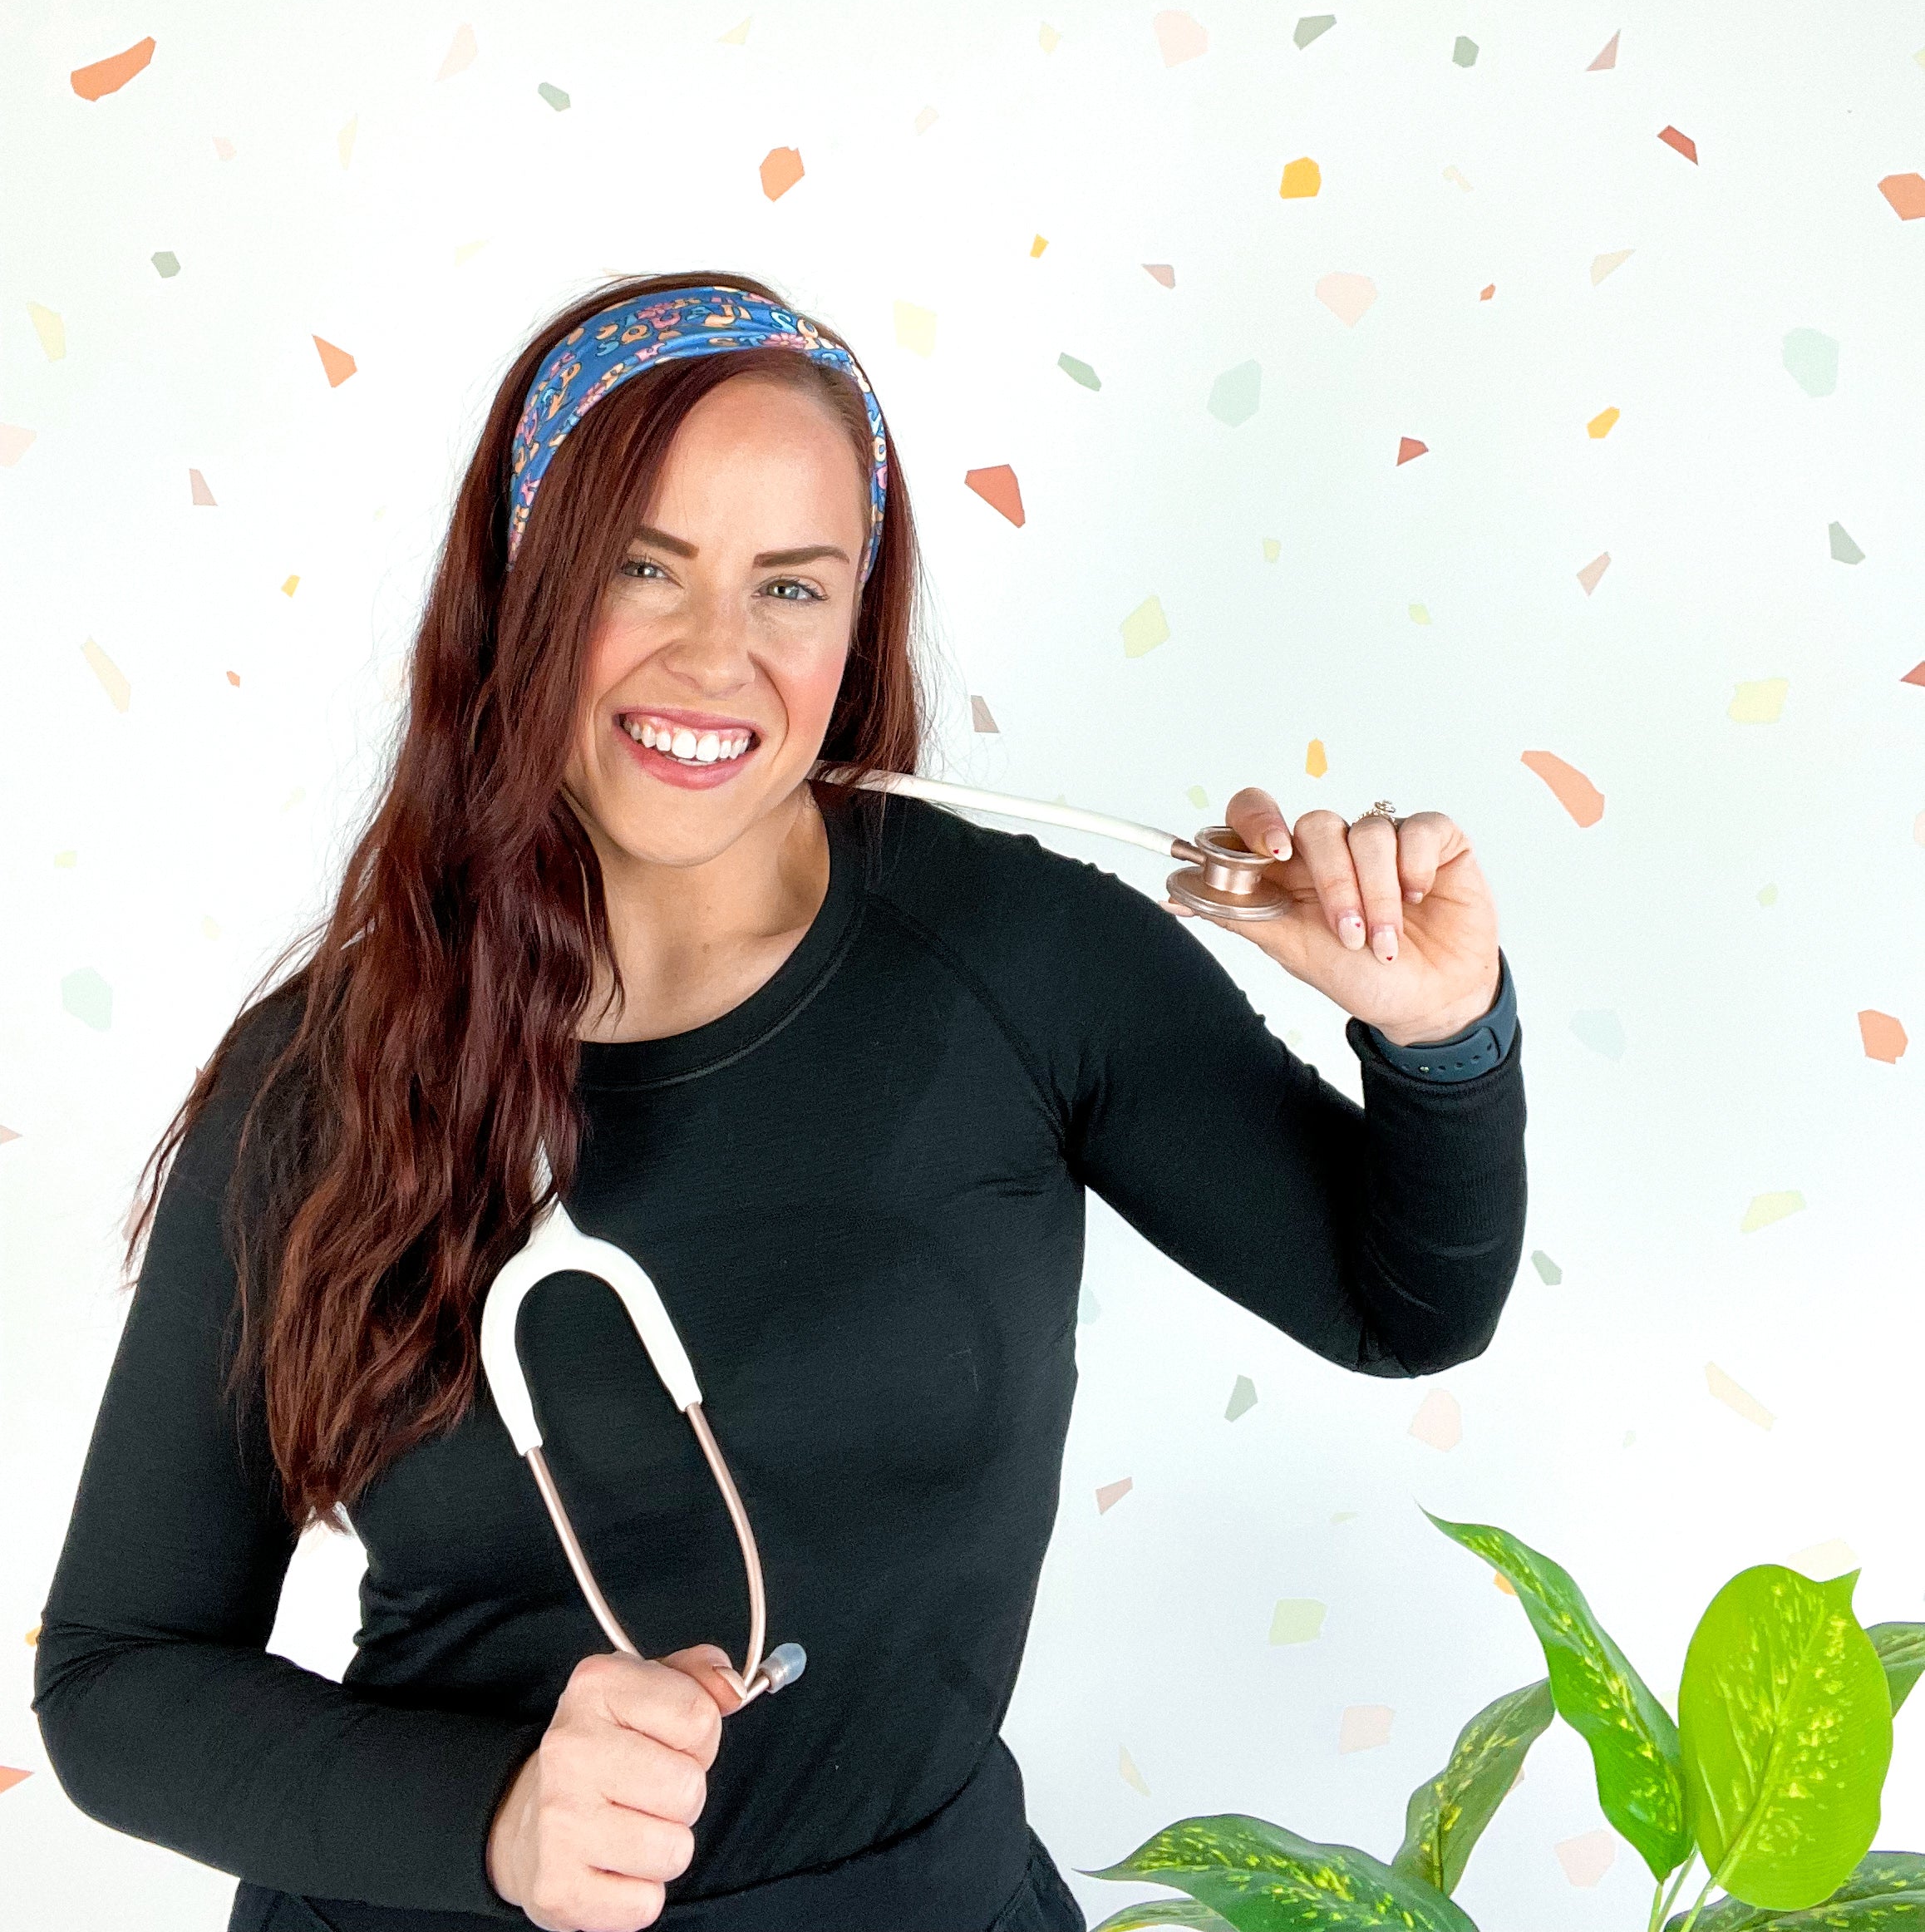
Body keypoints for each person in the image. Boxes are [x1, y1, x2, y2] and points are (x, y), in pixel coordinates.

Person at [32, 270, 1528, 1932]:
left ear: (856, 618)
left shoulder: (1019, 961)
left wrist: (1442, 1032)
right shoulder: (325, 1074)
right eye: (640, 568)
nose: (715, 656)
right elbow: (119, 1679)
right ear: (524, 582)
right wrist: (498, 1817)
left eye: (791, 586)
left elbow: (1405, 1302)